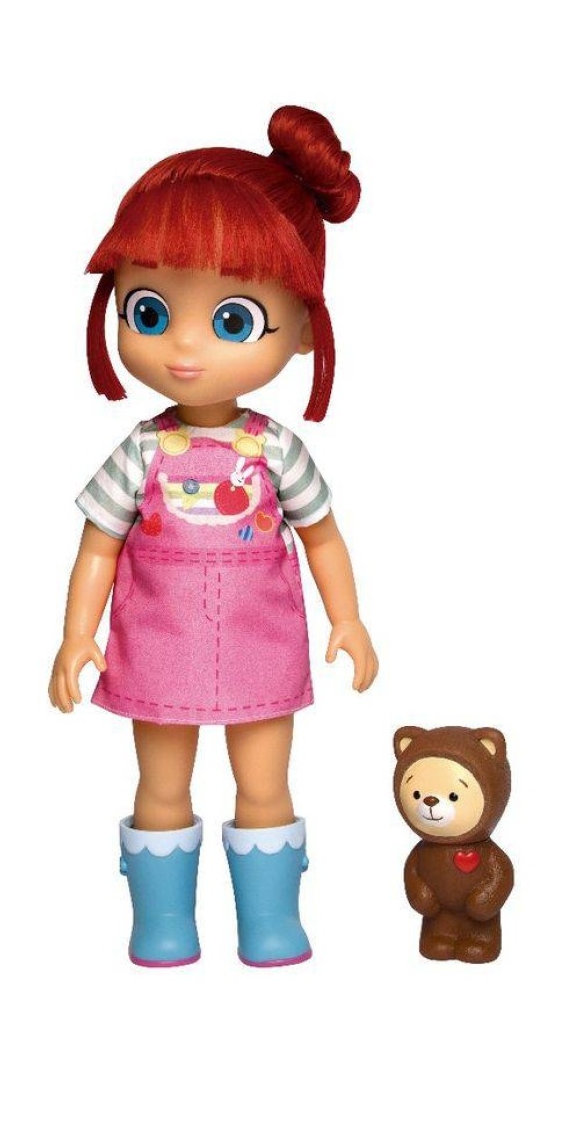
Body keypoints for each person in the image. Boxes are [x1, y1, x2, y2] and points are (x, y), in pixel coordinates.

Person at [48, 105, 378, 967]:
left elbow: (323, 536)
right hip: (157, 647)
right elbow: (98, 546)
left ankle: (271, 923)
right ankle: (162, 923)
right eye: (151, 311)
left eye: (232, 320)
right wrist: (78, 633)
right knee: (161, 785)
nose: (186, 350)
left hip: (262, 647)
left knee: (265, 784)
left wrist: (347, 618)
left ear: (301, 328)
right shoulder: (140, 451)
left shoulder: (276, 450)